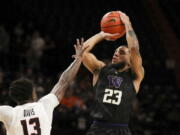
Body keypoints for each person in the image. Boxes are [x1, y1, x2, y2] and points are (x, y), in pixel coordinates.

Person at [0, 38, 86, 135]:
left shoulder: (10, 113)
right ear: (32, 94)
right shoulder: (44, 105)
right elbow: (64, 81)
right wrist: (78, 60)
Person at [82, 11, 144, 135]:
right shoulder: (101, 70)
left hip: (121, 129)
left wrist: (127, 24)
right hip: (97, 128)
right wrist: (101, 35)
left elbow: (134, 49)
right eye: (115, 51)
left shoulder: (135, 76)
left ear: (130, 60)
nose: (116, 53)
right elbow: (82, 52)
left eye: (121, 52)